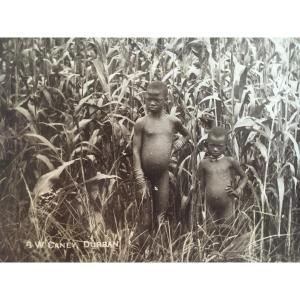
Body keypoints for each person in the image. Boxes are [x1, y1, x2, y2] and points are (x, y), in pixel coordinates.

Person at [133, 81, 189, 230]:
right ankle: (143, 249)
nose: (151, 103)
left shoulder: (172, 121)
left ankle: (159, 248)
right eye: (148, 99)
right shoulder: (141, 123)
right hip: (144, 176)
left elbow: (187, 135)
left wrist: (178, 145)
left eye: (156, 100)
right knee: (144, 216)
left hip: (162, 175)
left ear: (166, 100)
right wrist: (139, 178)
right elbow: (135, 151)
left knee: (161, 215)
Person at [196, 127, 248, 227]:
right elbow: (201, 184)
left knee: (227, 230)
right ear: (206, 145)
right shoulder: (203, 163)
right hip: (209, 205)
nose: (215, 149)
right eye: (212, 145)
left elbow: (244, 177)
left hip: (227, 204)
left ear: (225, 146)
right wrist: (200, 202)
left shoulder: (230, 161)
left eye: (219, 146)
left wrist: (238, 190)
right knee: (210, 233)